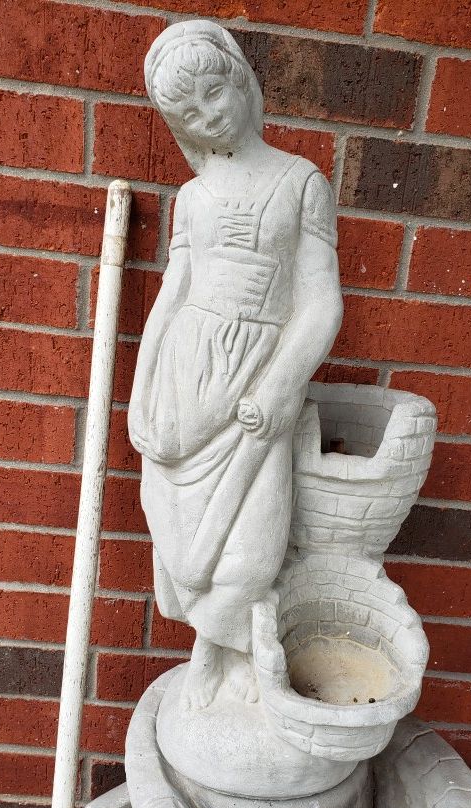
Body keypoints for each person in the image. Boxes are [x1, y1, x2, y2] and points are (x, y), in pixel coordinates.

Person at [128, 21, 343, 709]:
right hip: (188, 380)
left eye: (215, 93)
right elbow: (171, 295)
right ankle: (209, 653)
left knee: (253, 545)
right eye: (187, 113)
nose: (208, 116)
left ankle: (238, 649)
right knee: (178, 531)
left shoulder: (300, 182)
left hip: (257, 383)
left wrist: (281, 383)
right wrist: (141, 389)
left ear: (241, 81)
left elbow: (319, 301)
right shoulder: (192, 199)